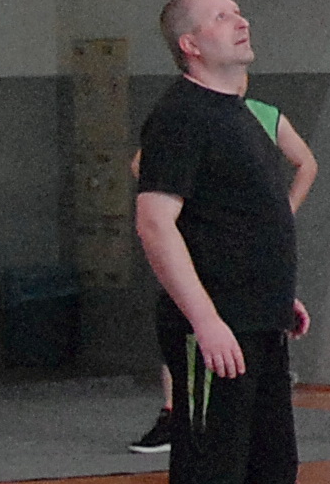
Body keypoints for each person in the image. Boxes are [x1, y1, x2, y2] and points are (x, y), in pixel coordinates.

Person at [136, 0, 325, 484]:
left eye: (240, 12)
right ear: (190, 44)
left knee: (268, 475)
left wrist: (276, 296)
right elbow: (156, 224)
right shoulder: (180, 116)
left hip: (261, 322)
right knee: (209, 476)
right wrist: (206, 319)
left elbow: (240, 220)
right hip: (212, 332)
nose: (241, 21)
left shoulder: (241, 114)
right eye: (222, 16)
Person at [131, 96, 312, 457]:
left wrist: (283, 211)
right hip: (209, 276)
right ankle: (176, 412)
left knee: (261, 445)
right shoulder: (185, 117)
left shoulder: (261, 117)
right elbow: (144, 173)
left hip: (255, 291)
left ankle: (217, 428)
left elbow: (307, 163)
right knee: (195, 348)